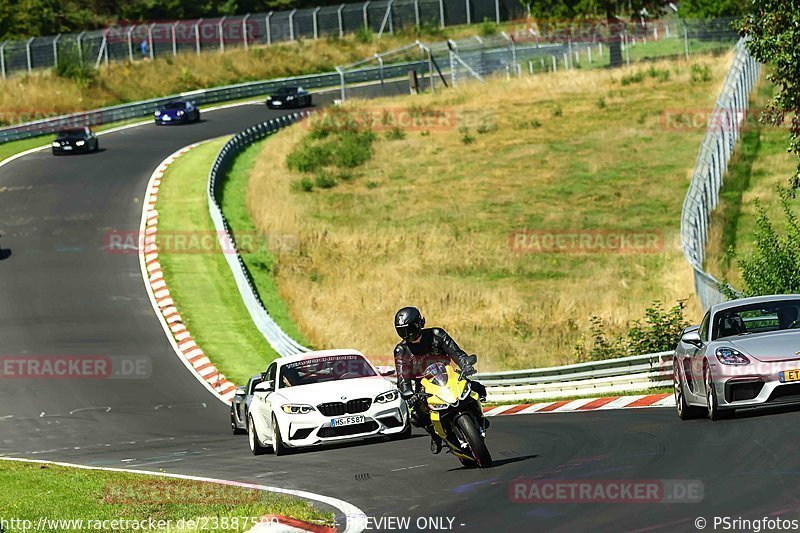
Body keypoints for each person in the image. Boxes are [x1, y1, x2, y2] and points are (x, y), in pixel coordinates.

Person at [393, 306, 488, 454]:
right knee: (417, 416)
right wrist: (408, 393)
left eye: (409, 328)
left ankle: (479, 418)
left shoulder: (437, 334)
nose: (407, 334)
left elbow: (456, 353)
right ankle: (435, 434)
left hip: (448, 375)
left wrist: (465, 364)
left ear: (418, 323)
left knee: (476, 388)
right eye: (402, 330)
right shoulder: (401, 350)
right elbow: (402, 376)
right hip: (424, 386)